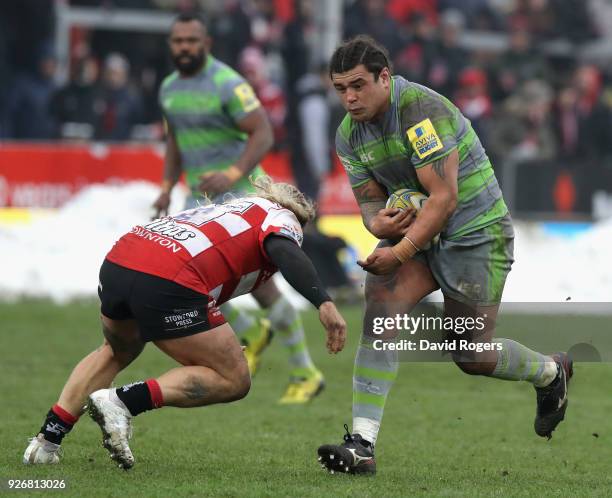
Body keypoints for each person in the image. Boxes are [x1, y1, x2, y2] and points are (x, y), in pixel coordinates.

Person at [316, 35, 573, 475]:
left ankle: (551, 372)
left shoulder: (420, 112)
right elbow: (370, 206)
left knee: (470, 355)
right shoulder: (348, 135)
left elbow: (444, 197)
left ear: (385, 77)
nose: (349, 97)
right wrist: (379, 226)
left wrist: (398, 250)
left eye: (358, 85)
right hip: (421, 235)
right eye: (340, 88)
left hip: (477, 234)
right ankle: (362, 444)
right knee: (380, 312)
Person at [23, 177, 347, 469]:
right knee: (234, 378)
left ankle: (46, 442)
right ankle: (121, 401)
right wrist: (324, 302)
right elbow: (283, 249)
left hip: (121, 259)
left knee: (115, 351)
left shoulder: (234, 209)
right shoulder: (282, 218)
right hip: (168, 277)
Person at [152, 13, 325, 403]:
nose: (184, 48)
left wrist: (232, 173)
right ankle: (250, 330)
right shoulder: (168, 89)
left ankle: (306, 373)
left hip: (240, 200)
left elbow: (263, 132)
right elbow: (175, 143)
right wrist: (165, 188)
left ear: (206, 43)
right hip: (198, 203)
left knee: (263, 289)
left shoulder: (227, 83)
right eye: (177, 41)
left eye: (191, 41)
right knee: (189, 284)